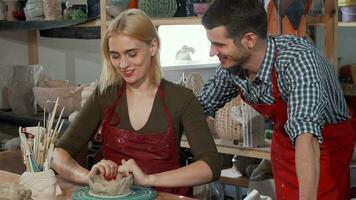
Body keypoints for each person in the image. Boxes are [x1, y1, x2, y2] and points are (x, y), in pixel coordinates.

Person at [51, 9, 222, 197]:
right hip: (115, 196)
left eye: (131, 54)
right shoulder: (105, 94)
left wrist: (150, 180)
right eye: (115, 56)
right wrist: (87, 177)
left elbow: (211, 165)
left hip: (166, 196)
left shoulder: (182, 99)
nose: (123, 64)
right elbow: (57, 154)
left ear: (153, 47)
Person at [197, 0, 355, 199]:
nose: (212, 52)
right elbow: (198, 106)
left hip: (323, 147)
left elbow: (307, 136)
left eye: (219, 44)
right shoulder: (233, 67)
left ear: (249, 40)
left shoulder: (298, 60)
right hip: (284, 145)